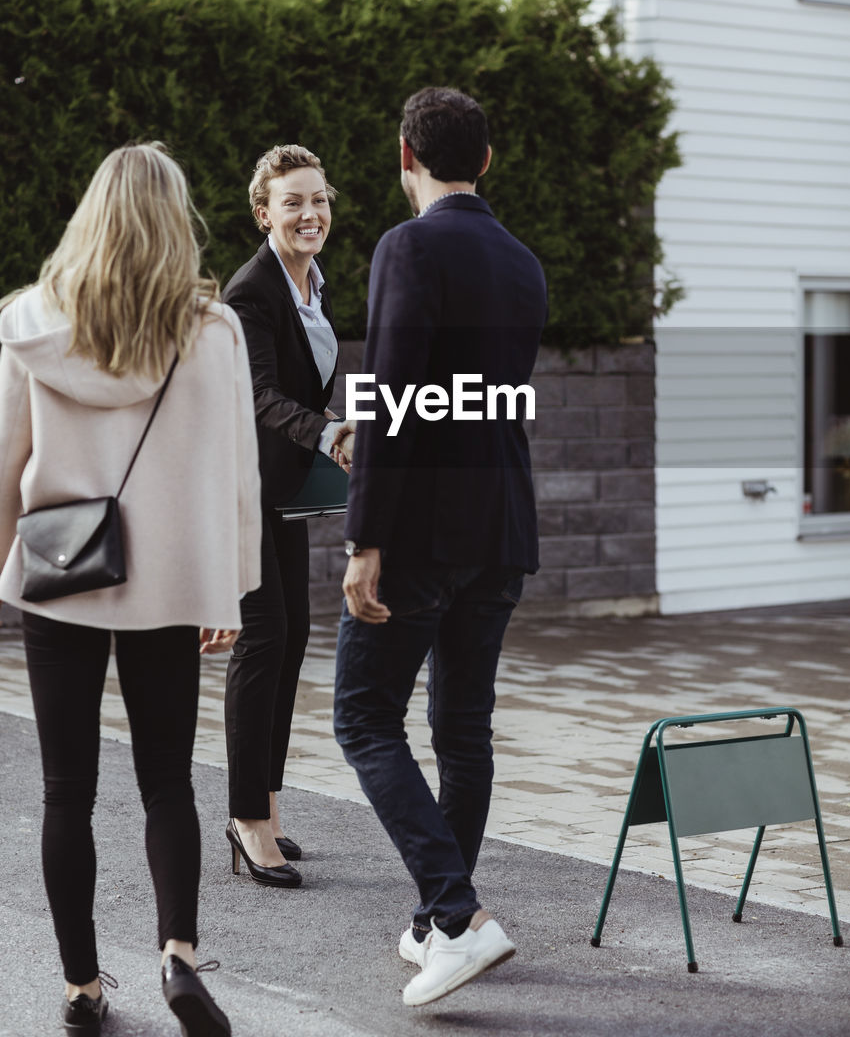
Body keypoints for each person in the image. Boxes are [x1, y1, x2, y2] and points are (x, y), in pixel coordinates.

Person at [0, 143, 262, 1036]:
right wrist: (228, 593)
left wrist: (4, 575)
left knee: (65, 789)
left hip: (60, 578)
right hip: (170, 581)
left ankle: (80, 988)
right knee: (167, 784)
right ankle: (178, 957)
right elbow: (236, 476)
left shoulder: (29, 322)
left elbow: (5, 464)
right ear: (172, 218)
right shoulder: (211, 329)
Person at [333, 87, 548, 1007]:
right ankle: (435, 925)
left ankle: (455, 918)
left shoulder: (406, 246)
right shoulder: (522, 261)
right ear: (486, 162)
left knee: (363, 716)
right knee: (461, 730)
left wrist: (363, 539)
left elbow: (394, 400)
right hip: (500, 526)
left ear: (404, 154)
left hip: (420, 531)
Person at [222, 144, 354, 886]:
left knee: (292, 635)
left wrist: (331, 420)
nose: (311, 214)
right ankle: (246, 819)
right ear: (264, 213)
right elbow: (258, 396)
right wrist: (328, 431)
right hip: (243, 486)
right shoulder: (253, 291)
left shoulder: (311, 285)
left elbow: (302, 387)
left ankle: (264, 805)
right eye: (293, 203)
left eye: (319, 200)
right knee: (262, 638)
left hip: (285, 488)